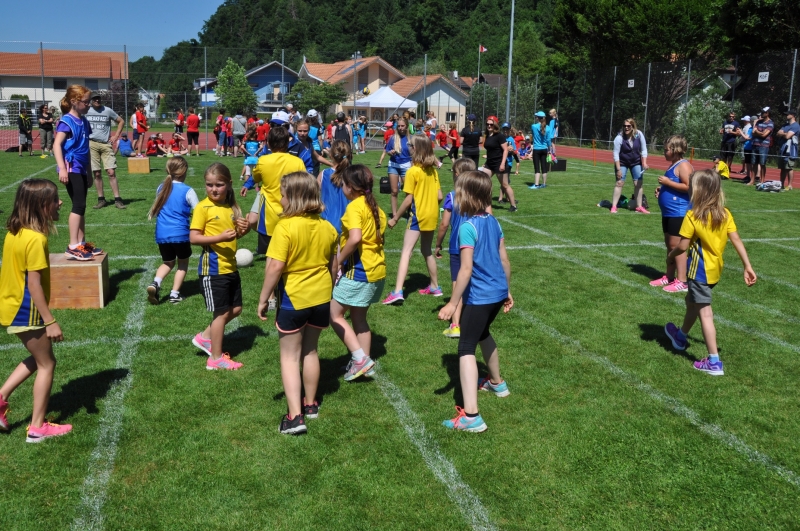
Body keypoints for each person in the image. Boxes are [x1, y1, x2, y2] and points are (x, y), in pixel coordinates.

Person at [257, 172, 338, 435]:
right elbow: (333, 266)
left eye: (282, 195)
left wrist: (264, 298)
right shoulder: (328, 227)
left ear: (293, 198)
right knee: (311, 351)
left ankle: (294, 417)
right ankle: (311, 404)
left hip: (295, 298)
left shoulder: (285, 227)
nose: (280, 199)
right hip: (322, 297)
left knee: (289, 357)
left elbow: (275, 267)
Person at [437, 170, 512, 432]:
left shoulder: (467, 228)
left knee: (466, 347)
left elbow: (465, 269)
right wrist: (507, 290)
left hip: (481, 296)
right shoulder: (494, 222)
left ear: (467, 197)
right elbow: (504, 260)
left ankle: (471, 416)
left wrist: (452, 303)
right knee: (483, 333)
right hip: (497, 293)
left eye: (459, 193)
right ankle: (497, 383)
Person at [664, 169, 757, 376]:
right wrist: (747, 266)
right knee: (692, 302)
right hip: (714, 272)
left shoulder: (693, 216)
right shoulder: (725, 214)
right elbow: (736, 239)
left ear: (698, 191)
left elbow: (683, 246)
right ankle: (680, 336)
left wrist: (671, 255)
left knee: (704, 312)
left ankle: (714, 362)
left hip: (699, 273)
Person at [0, 179, 71, 442]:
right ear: (42, 205)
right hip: (26, 309)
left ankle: (1, 398)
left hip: (10, 304)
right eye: (55, 199)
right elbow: (34, 284)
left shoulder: (14, 232)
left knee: (40, 357)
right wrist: (50, 321)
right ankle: (37, 428)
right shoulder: (37, 239)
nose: (60, 203)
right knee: (47, 363)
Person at [189, 163, 250, 370]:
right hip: (213, 269)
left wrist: (243, 230)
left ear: (229, 184)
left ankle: (205, 337)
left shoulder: (231, 207)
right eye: (209, 185)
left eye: (219, 185)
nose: (214, 189)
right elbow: (194, 237)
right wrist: (219, 237)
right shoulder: (203, 208)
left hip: (230, 266)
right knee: (221, 313)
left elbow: (234, 235)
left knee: (236, 309)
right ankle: (215, 359)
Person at [330, 165, 387, 381]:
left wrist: (338, 261)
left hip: (360, 272)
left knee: (333, 314)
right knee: (359, 318)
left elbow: (355, 238)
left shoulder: (355, 207)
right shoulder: (375, 207)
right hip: (376, 271)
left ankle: (360, 359)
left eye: (343, 184)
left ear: (351, 187)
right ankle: (365, 363)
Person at [382, 135, 443, 304]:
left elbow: (408, 200)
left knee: (406, 251)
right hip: (431, 214)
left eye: (410, 145)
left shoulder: (412, 171)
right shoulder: (432, 171)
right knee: (427, 250)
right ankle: (435, 287)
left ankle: (397, 291)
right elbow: (439, 196)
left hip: (418, 215)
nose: (408, 147)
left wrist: (395, 218)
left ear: (416, 149)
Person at [243, 123, 307, 269]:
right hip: (292, 211)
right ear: (288, 143)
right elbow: (304, 183)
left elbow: (256, 177)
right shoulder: (298, 162)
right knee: (290, 254)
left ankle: (271, 283)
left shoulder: (263, 161)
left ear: (268, 143)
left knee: (271, 257)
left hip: (269, 214)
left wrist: (248, 184)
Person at [54, 85, 101, 261]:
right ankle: (73, 246)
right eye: (86, 102)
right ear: (74, 101)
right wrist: (62, 168)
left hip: (81, 167)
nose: (89, 105)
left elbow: (86, 148)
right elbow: (56, 145)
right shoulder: (67, 121)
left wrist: (89, 171)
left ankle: (82, 243)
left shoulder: (84, 121)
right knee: (78, 205)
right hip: (71, 167)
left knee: (81, 206)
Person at [435, 158, 478, 339]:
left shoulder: (452, 197)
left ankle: (455, 325)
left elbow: (444, 224)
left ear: (457, 174)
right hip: (475, 245)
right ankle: (474, 321)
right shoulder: (478, 195)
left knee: (457, 284)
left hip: (457, 246)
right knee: (473, 281)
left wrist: (438, 244)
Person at [146, 157, 199, 305]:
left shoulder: (160, 188)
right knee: (182, 264)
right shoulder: (188, 190)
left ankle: (156, 282)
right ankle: (174, 294)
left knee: (168, 262)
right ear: (184, 172)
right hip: (180, 234)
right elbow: (199, 212)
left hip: (162, 234)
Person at [650, 135, 692, 293]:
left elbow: (689, 187)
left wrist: (668, 183)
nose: (664, 152)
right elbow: (676, 186)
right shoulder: (674, 165)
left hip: (678, 212)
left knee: (678, 246)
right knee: (670, 245)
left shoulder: (684, 166)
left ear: (675, 150)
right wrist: (663, 190)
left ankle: (682, 281)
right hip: (669, 212)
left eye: (666, 149)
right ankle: (669, 276)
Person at [87, 94, 126, 210]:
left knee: (111, 172)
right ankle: (101, 199)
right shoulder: (86, 111)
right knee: (97, 173)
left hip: (105, 144)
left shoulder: (107, 110)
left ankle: (118, 199)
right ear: (91, 100)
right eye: (94, 99)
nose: (97, 100)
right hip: (91, 144)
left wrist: (116, 136)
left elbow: (121, 121)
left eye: (98, 98)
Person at [608, 117, 649, 212]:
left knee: (638, 183)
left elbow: (644, 149)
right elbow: (616, 154)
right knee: (619, 183)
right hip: (622, 162)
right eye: (624, 126)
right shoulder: (619, 138)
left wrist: (644, 163)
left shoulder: (639, 134)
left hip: (636, 162)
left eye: (628, 126)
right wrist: (618, 169)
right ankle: (614, 206)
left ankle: (639, 206)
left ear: (633, 126)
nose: (626, 128)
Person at [483, 115, 518, 211]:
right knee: (482, 181)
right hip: (489, 163)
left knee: (505, 185)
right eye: (487, 124)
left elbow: (506, 150)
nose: (489, 126)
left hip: (499, 163)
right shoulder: (487, 135)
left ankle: (513, 206)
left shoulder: (499, 136)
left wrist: (502, 164)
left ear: (495, 125)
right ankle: (484, 203)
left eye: (491, 124)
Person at [319, 140, 351, 234]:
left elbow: (313, 197)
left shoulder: (323, 174)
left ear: (331, 155)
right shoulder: (354, 174)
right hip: (348, 223)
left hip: (327, 223)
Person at [385, 117, 412, 218]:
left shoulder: (411, 139)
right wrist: (390, 152)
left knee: (408, 192)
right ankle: (394, 214)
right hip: (393, 165)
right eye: (399, 126)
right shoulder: (393, 138)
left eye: (402, 126)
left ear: (406, 126)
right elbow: (387, 151)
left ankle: (409, 212)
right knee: (394, 191)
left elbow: (414, 154)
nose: (400, 128)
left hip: (406, 166)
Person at [776, 109, 799, 191]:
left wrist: (783, 133)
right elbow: (778, 133)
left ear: (792, 115)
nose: (786, 115)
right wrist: (785, 133)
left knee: (789, 167)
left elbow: (787, 136)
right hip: (783, 149)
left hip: (790, 150)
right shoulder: (785, 125)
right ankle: (781, 184)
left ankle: (789, 185)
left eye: (788, 114)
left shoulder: (796, 126)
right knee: (782, 168)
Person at [751, 108, 774, 184]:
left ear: (767, 113)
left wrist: (757, 131)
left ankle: (762, 180)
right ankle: (752, 180)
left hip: (764, 146)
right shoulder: (758, 122)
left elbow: (764, 135)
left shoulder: (770, 123)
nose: (761, 114)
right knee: (754, 163)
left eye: (763, 112)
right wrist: (760, 133)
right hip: (755, 144)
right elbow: (753, 133)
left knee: (762, 163)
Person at [739, 115, 754, 183]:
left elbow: (746, 137)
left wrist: (740, 132)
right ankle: (748, 176)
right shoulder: (749, 127)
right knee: (747, 162)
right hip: (746, 146)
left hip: (749, 146)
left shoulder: (750, 127)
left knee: (751, 163)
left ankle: (752, 176)